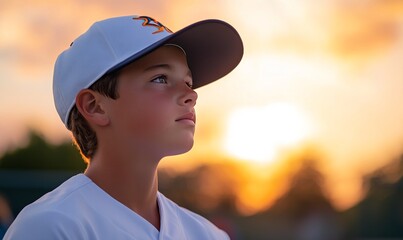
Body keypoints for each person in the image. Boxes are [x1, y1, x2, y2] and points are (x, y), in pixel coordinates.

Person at [4, 14, 243, 239]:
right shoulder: (51, 227)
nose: (191, 94)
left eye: (188, 82)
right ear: (95, 106)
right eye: (160, 78)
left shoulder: (208, 234)